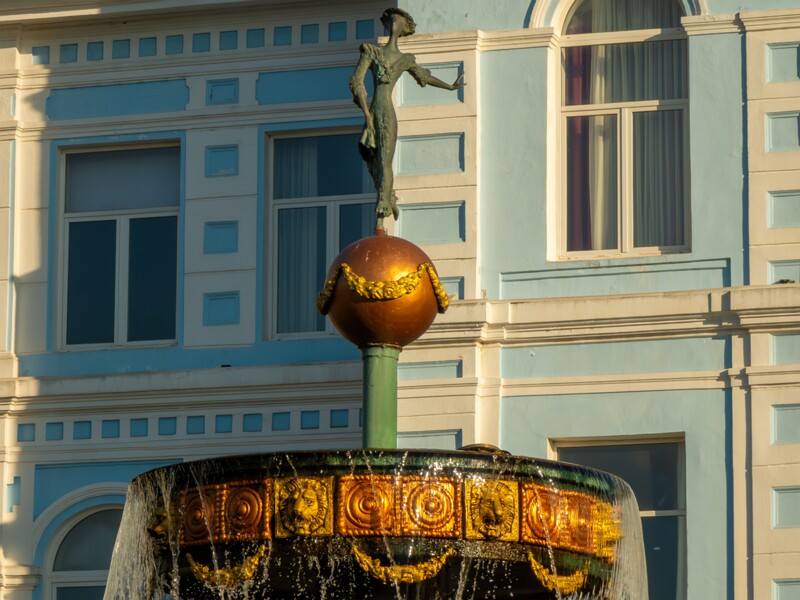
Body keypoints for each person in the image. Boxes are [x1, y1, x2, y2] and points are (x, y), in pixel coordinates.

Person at [350, 8, 465, 227]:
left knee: (385, 162)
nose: (394, 23)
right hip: (374, 110)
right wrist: (366, 112)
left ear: (404, 28)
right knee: (373, 161)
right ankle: (387, 197)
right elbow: (356, 82)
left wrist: (450, 86)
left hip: (388, 114)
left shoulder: (405, 60)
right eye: (392, 19)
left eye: (399, 21)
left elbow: (424, 76)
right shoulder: (371, 52)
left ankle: (381, 217)